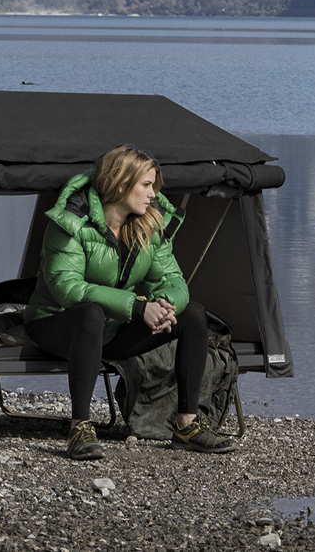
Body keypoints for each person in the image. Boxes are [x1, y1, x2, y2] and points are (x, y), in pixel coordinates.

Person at [22, 145, 237, 460]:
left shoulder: (148, 224)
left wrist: (165, 306)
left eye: (154, 186)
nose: (153, 194)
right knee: (91, 314)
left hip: (112, 329)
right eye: (146, 185)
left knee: (192, 314)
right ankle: (80, 428)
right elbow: (66, 288)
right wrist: (137, 308)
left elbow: (173, 280)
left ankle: (187, 426)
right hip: (56, 323)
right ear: (121, 184)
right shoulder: (71, 220)